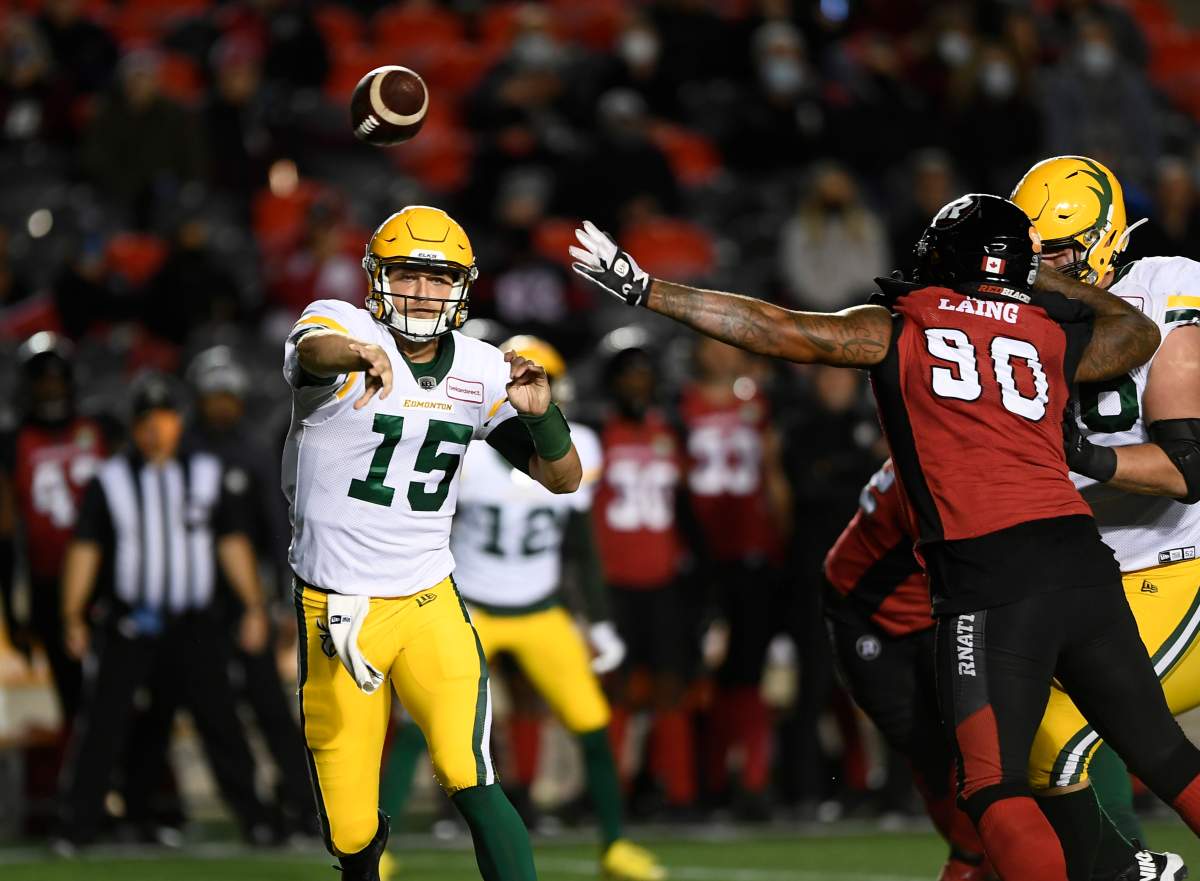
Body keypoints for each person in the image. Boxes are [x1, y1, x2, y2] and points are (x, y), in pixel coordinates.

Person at [568, 195, 1200, 881]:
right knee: (1164, 752)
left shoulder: (904, 326)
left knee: (992, 786)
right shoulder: (1046, 332)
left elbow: (772, 327)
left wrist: (646, 289)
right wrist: (1035, 279)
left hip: (991, 576)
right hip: (1086, 563)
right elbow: (1134, 333)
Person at [284, 205, 581, 881]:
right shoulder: (342, 327)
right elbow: (311, 351)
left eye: (439, 278)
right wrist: (359, 354)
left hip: (426, 599)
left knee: (468, 770)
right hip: (334, 609)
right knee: (351, 829)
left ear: (463, 287)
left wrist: (545, 417)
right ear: (375, 278)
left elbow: (563, 478)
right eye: (407, 275)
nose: (422, 292)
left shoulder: (481, 368)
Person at [379, 335, 665, 881]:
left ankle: (615, 846)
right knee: (419, 723)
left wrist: (599, 620)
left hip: (539, 608)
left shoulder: (576, 446)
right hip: (470, 606)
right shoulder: (464, 443)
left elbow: (580, 542)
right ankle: (380, 846)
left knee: (592, 720)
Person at [1012, 155, 1200, 880]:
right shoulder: (1020, 310)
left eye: (1057, 249)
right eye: (1033, 252)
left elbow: (1187, 468)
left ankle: (1125, 871)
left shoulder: (1166, 289)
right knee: (1021, 738)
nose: (1043, 266)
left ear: (1104, 237)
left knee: (1059, 733)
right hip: (1078, 572)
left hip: (1173, 566)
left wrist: (1082, 457)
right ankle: (1127, 867)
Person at [57, 371, 274, 850]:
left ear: (178, 421)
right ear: (133, 427)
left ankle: (255, 819)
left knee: (221, 722)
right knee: (105, 726)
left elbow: (231, 543)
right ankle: (79, 826)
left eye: (163, 418)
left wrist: (253, 606)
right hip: (131, 623)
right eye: (145, 420)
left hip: (193, 624)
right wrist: (73, 614)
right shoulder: (110, 480)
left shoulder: (205, 474)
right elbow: (85, 550)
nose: (154, 429)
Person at [824, 460, 990, 880]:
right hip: (867, 615)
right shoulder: (933, 476)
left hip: (934, 612)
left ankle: (971, 863)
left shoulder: (944, 458)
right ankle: (975, 859)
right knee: (925, 747)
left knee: (979, 741)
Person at [186, 345, 317, 838]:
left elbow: (276, 529)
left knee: (270, 708)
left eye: (227, 395)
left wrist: (282, 601)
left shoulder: (254, 452)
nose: (221, 404)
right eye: (212, 395)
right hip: (194, 603)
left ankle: (302, 804)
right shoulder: (181, 451)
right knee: (215, 712)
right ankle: (252, 813)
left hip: (249, 604)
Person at [678, 337, 789, 817]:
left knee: (748, 671)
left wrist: (782, 543)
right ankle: (704, 781)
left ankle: (752, 780)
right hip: (699, 556)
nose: (721, 353)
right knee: (696, 673)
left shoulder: (760, 402)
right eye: (709, 344)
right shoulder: (680, 405)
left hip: (751, 552)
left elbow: (775, 475)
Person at [592, 337, 697, 816]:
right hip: (613, 581)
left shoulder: (671, 430)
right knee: (615, 690)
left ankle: (676, 793)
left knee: (670, 688)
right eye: (627, 374)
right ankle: (612, 793)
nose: (637, 383)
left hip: (665, 580)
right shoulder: (596, 432)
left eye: (644, 373)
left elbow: (688, 509)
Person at [0, 333, 105, 723]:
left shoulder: (101, 428)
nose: (50, 388)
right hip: (50, 584)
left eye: (56, 378)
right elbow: (7, 532)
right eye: (41, 380)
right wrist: (15, 609)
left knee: (121, 683)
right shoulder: (12, 444)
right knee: (74, 695)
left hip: (109, 579)